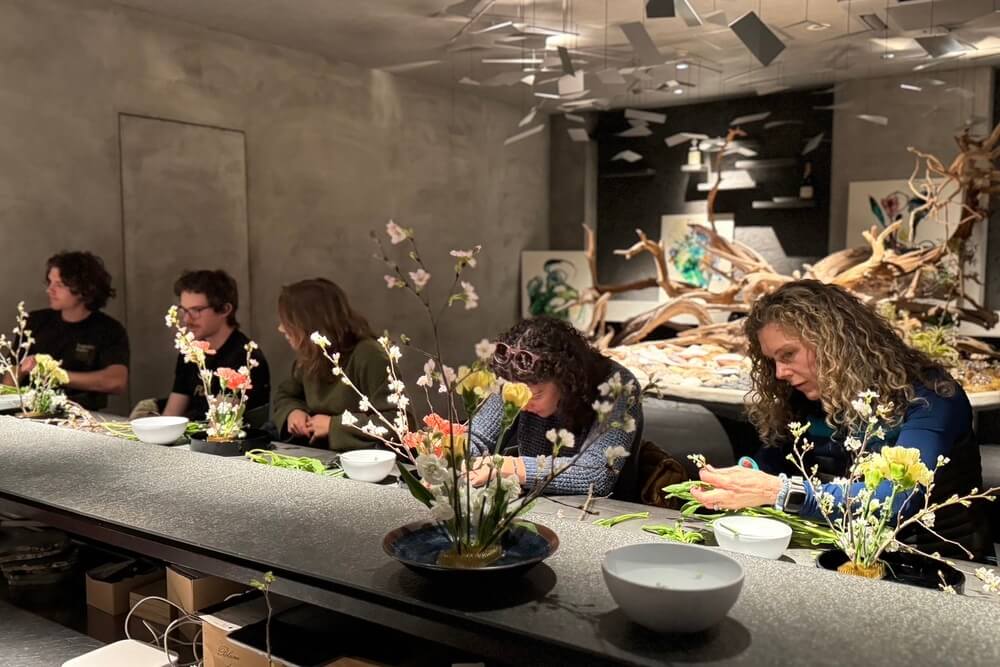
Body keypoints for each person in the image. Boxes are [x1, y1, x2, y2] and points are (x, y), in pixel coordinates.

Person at [691, 280, 990, 560]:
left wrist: (776, 491)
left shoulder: (932, 397)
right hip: (851, 555)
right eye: (772, 361)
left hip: (939, 564)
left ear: (833, 342)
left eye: (788, 354)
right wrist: (745, 475)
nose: (779, 373)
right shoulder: (808, 399)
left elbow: (894, 500)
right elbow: (777, 461)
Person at [467, 317, 643, 497]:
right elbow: (477, 438)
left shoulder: (619, 387)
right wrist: (452, 448)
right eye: (515, 394)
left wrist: (510, 467)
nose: (523, 405)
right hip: (536, 502)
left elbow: (598, 474)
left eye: (536, 395)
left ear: (566, 381)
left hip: (603, 514)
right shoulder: (515, 375)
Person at [272, 278, 392, 451]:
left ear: (309, 324)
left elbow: (397, 423)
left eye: (288, 322)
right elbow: (287, 394)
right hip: (320, 454)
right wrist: (293, 412)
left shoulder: (369, 355)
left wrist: (333, 426)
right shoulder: (312, 354)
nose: (281, 329)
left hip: (366, 463)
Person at [12, 251, 129, 411]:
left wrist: (57, 374)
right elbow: (8, 380)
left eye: (59, 285)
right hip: (28, 412)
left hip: (81, 415)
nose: (50, 290)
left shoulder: (108, 329)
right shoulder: (33, 321)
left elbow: (116, 381)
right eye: (49, 283)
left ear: (83, 289)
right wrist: (22, 370)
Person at [162, 270, 270, 421]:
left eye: (196, 310)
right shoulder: (191, 350)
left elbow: (222, 426)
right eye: (184, 310)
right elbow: (171, 415)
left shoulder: (245, 357)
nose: (187, 319)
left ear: (225, 310)